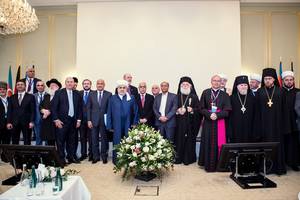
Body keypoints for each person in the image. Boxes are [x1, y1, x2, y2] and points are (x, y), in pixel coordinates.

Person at [254, 68, 286, 175]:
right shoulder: (260, 91)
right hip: (264, 125)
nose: (267, 80)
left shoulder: (281, 91)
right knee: (265, 146)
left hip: (278, 125)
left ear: (274, 79)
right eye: (265, 79)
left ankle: (278, 168)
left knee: (278, 145)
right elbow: (256, 110)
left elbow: (285, 109)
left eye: (270, 78)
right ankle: (265, 168)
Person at [198, 75, 231, 172]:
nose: (216, 82)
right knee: (207, 141)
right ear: (211, 81)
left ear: (221, 82)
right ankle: (207, 164)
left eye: (218, 81)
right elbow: (201, 108)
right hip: (208, 122)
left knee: (219, 143)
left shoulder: (224, 95)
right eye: (214, 80)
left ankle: (219, 164)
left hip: (220, 122)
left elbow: (228, 110)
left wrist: (218, 115)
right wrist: (209, 115)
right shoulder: (206, 92)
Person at [51, 77, 82, 165]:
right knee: (60, 141)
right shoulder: (59, 93)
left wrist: (79, 120)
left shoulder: (77, 93)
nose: (69, 83)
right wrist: (56, 119)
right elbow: (53, 107)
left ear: (74, 83)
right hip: (61, 121)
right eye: (68, 82)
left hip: (73, 121)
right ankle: (61, 159)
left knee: (72, 140)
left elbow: (80, 108)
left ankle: (71, 157)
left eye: (71, 82)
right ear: (65, 83)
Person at [107, 80, 138, 164]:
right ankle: (117, 160)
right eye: (120, 87)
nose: (122, 89)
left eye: (124, 87)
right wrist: (109, 125)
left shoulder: (131, 98)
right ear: (117, 89)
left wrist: (135, 123)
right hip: (116, 125)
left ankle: (128, 159)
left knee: (128, 142)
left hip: (128, 124)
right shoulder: (112, 98)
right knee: (117, 141)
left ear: (126, 89)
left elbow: (135, 111)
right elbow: (109, 112)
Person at [174, 77, 201, 165]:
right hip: (179, 124)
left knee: (189, 140)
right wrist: (177, 111)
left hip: (190, 124)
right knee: (178, 140)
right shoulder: (176, 96)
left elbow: (199, 110)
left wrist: (192, 110)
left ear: (191, 86)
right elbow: (171, 109)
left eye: (187, 85)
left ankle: (188, 159)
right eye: (183, 85)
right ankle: (178, 158)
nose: (185, 86)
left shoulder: (194, 97)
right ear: (180, 86)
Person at [87, 79, 112, 164]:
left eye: (101, 83)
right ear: (96, 85)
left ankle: (104, 156)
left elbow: (109, 109)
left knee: (104, 139)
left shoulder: (109, 94)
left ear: (104, 85)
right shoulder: (91, 94)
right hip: (93, 120)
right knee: (94, 139)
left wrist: (109, 121)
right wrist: (89, 120)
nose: (100, 85)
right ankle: (95, 157)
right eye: (98, 83)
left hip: (104, 121)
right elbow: (88, 108)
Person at [228, 75, 256, 143]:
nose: (243, 87)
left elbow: (256, 115)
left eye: (245, 85)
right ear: (237, 86)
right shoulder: (231, 98)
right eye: (241, 85)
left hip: (249, 129)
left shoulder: (253, 98)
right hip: (235, 129)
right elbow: (229, 116)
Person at [281, 71, 300, 171]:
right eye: (287, 80)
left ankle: (294, 163)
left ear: (293, 80)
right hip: (283, 122)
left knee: (294, 142)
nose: (289, 82)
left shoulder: (298, 91)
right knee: (284, 142)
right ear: (283, 81)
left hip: (294, 122)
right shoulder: (279, 92)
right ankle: (283, 163)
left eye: (291, 80)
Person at [7, 80, 35, 145]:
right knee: (14, 141)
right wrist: (8, 122)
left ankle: (26, 155)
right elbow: (9, 111)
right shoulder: (12, 97)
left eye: (21, 84)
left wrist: (32, 121)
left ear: (25, 86)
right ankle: (15, 155)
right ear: (16, 87)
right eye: (18, 85)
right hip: (14, 122)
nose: (20, 86)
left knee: (27, 141)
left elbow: (33, 110)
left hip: (27, 122)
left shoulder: (31, 97)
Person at [40, 78, 62, 146]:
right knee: (50, 141)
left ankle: (59, 155)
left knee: (59, 141)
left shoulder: (61, 96)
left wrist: (49, 111)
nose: (52, 87)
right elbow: (41, 106)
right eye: (51, 85)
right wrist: (43, 110)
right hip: (48, 122)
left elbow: (59, 107)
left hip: (57, 121)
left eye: (54, 85)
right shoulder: (46, 96)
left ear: (58, 87)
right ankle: (51, 156)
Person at [79, 79, 93, 161]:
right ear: (83, 85)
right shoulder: (79, 93)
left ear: (90, 85)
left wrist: (90, 119)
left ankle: (91, 154)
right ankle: (83, 154)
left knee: (91, 138)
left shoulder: (94, 93)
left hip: (90, 120)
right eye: (85, 84)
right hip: (81, 120)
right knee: (82, 138)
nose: (86, 85)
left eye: (88, 83)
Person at [34, 81, 47, 145]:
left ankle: (48, 154)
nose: (40, 87)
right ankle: (38, 154)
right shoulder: (32, 96)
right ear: (36, 87)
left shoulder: (49, 95)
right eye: (38, 85)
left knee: (47, 138)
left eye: (42, 85)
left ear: (44, 87)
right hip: (37, 120)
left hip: (47, 120)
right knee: (38, 137)